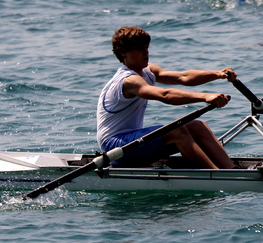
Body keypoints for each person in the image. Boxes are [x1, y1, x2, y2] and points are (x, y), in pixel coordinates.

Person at [96, 26, 236, 170]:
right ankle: (215, 175)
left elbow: (184, 77)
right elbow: (165, 95)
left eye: (146, 47)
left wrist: (217, 74)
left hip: (132, 142)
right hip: (115, 148)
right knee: (176, 131)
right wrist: (206, 96)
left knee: (197, 126)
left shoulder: (148, 71)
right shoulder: (128, 80)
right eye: (139, 48)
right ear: (123, 52)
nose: (146, 52)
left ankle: (231, 170)